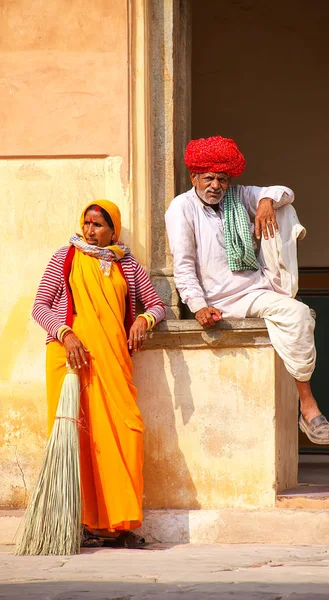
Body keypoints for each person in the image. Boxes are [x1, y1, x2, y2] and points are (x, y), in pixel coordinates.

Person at [165, 136, 329, 445]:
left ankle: (306, 409)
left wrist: (265, 202)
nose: (216, 185)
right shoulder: (182, 207)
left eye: (222, 179)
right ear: (194, 177)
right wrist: (197, 305)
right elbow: (184, 263)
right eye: (209, 178)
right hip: (221, 301)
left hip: (260, 287)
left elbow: (286, 192)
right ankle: (310, 408)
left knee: (282, 209)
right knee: (298, 314)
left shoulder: (238, 195)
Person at [32, 199, 166, 548]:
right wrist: (66, 333)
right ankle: (77, 523)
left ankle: (120, 524)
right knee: (74, 440)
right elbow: (40, 306)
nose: (90, 231)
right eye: (87, 223)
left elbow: (157, 304)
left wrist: (143, 319)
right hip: (68, 360)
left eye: (99, 225)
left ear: (113, 231)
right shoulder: (65, 258)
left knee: (126, 432)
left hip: (112, 360)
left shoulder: (128, 265)